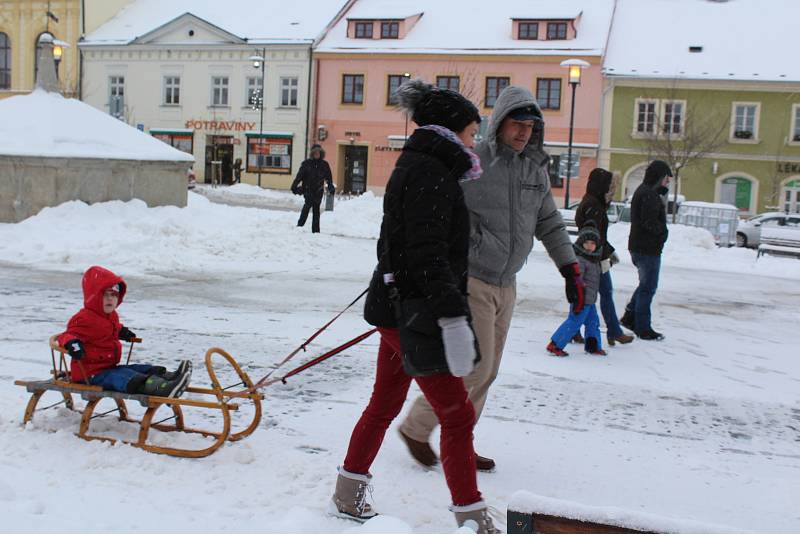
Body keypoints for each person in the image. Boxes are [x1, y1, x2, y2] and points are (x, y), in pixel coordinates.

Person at [329, 80, 497, 533]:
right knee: (458, 415)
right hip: (417, 313)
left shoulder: (422, 164)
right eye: (470, 132)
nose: (474, 141)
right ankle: (473, 518)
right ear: (450, 131)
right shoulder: (431, 172)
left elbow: (397, 243)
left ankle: (348, 492)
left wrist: (392, 288)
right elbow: (427, 253)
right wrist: (452, 317)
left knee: (384, 404)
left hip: (400, 308)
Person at [398, 85, 582, 472]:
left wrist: (570, 268)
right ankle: (425, 430)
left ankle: (455, 438)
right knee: (474, 368)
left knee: (489, 370)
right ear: (500, 122)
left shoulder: (534, 169)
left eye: (531, 126)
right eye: (517, 124)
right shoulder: (474, 159)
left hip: (507, 283)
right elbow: (445, 207)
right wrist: (470, 246)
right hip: (474, 278)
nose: (523, 133)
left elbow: (548, 221)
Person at [57, 266, 192, 398]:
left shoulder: (111, 315)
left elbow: (111, 327)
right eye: (105, 295)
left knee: (140, 369)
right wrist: (72, 343)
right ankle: (162, 388)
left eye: (114, 295)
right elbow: (67, 335)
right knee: (126, 377)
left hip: (108, 367)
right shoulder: (83, 319)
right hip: (89, 374)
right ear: (93, 296)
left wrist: (122, 331)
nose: (110, 299)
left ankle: (171, 378)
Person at [574, 168, 634, 346]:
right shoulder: (594, 206)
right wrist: (605, 255)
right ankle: (613, 331)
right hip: (594, 257)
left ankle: (576, 330)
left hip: (593, 255)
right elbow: (593, 235)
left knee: (586, 294)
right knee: (603, 294)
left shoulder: (591, 202)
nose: (611, 190)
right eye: (609, 186)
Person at [620, 160, 672, 341]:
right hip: (647, 248)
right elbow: (649, 222)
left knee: (645, 285)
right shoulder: (648, 195)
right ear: (659, 176)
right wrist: (662, 232)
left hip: (641, 246)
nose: (668, 182)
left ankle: (629, 317)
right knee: (648, 288)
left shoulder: (646, 191)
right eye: (666, 178)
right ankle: (642, 327)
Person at [546, 223, 606, 357]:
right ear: (581, 243)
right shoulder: (580, 260)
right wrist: (578, 297)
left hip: (590, 301)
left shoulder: (594, 260)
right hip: (581, 299)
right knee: (574, 322)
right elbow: (577, 280)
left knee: (593, 323)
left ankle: (593, 346)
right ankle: (555, 344)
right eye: (587, 243)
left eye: (593, 243)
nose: (590, 246)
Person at [291, 144, 334, 233]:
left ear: (321, 153)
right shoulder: (306, 164)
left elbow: (329, 178)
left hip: (318, 190)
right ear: (312, 153)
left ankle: (316, 231)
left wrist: (330, 186)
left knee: (316, 210)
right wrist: (294, 186)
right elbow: (299, 176)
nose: (317, 154)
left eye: (318, 152)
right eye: (315, 152)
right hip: (308, 189)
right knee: (306, 207)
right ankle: (300, 226)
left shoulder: (324, 165)